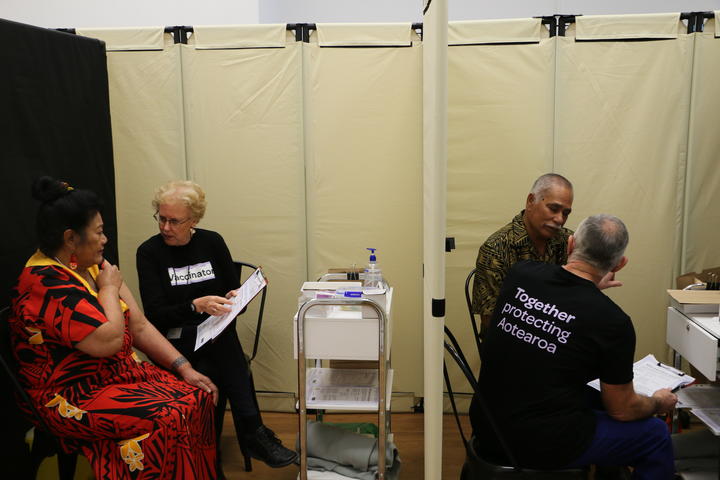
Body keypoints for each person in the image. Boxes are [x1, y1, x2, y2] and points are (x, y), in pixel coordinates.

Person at [8, 176, 218, 480]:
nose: (105, 239)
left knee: (194, 397)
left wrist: (184, 367)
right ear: (70, 239)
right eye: (99, 232)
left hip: (113, 375)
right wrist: (108, 290)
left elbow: (140, 325)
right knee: (166, 416)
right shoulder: (45, 284)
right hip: (69, 395)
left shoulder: (89, 264)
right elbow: (107, 341)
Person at [471, 214, 678, 479]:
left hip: (487, 424)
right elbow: (623, 409)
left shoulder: (521, 273)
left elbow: (561, 297)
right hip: (536, 444)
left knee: (599, 394)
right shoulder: (612, 321)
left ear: (570, 245)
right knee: (655, 435)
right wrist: (658, 402)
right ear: (620, 264)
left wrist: (590, 286)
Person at [136, 180, 297, 474]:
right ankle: (253, 432)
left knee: (220, 348)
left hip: (215, 336)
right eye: (161, 218)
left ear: (194, 220)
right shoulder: (149, 252)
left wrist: (236, 298)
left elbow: (234, 299)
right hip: (176, 341)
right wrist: (195, 306)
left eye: (175, 221)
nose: (166, 227)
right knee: (227, 355)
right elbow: (155, 314)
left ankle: (211, 463)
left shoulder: (212, 242)